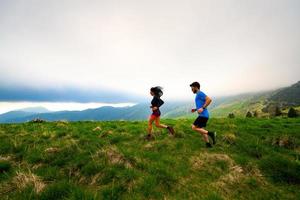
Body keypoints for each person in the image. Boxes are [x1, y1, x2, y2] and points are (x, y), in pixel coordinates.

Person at [190, 82, 216, 148]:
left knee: (193, 127)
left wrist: (203, 108)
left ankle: (211, 133)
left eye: (192, 88)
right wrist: (196, 109)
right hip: (203, 115)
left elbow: (209, 100)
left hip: (203, 115)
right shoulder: (198, 95)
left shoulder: (200, 93)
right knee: (201, 130)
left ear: (196, 87)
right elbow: (201, 105)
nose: (191, 89)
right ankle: (208, 144)